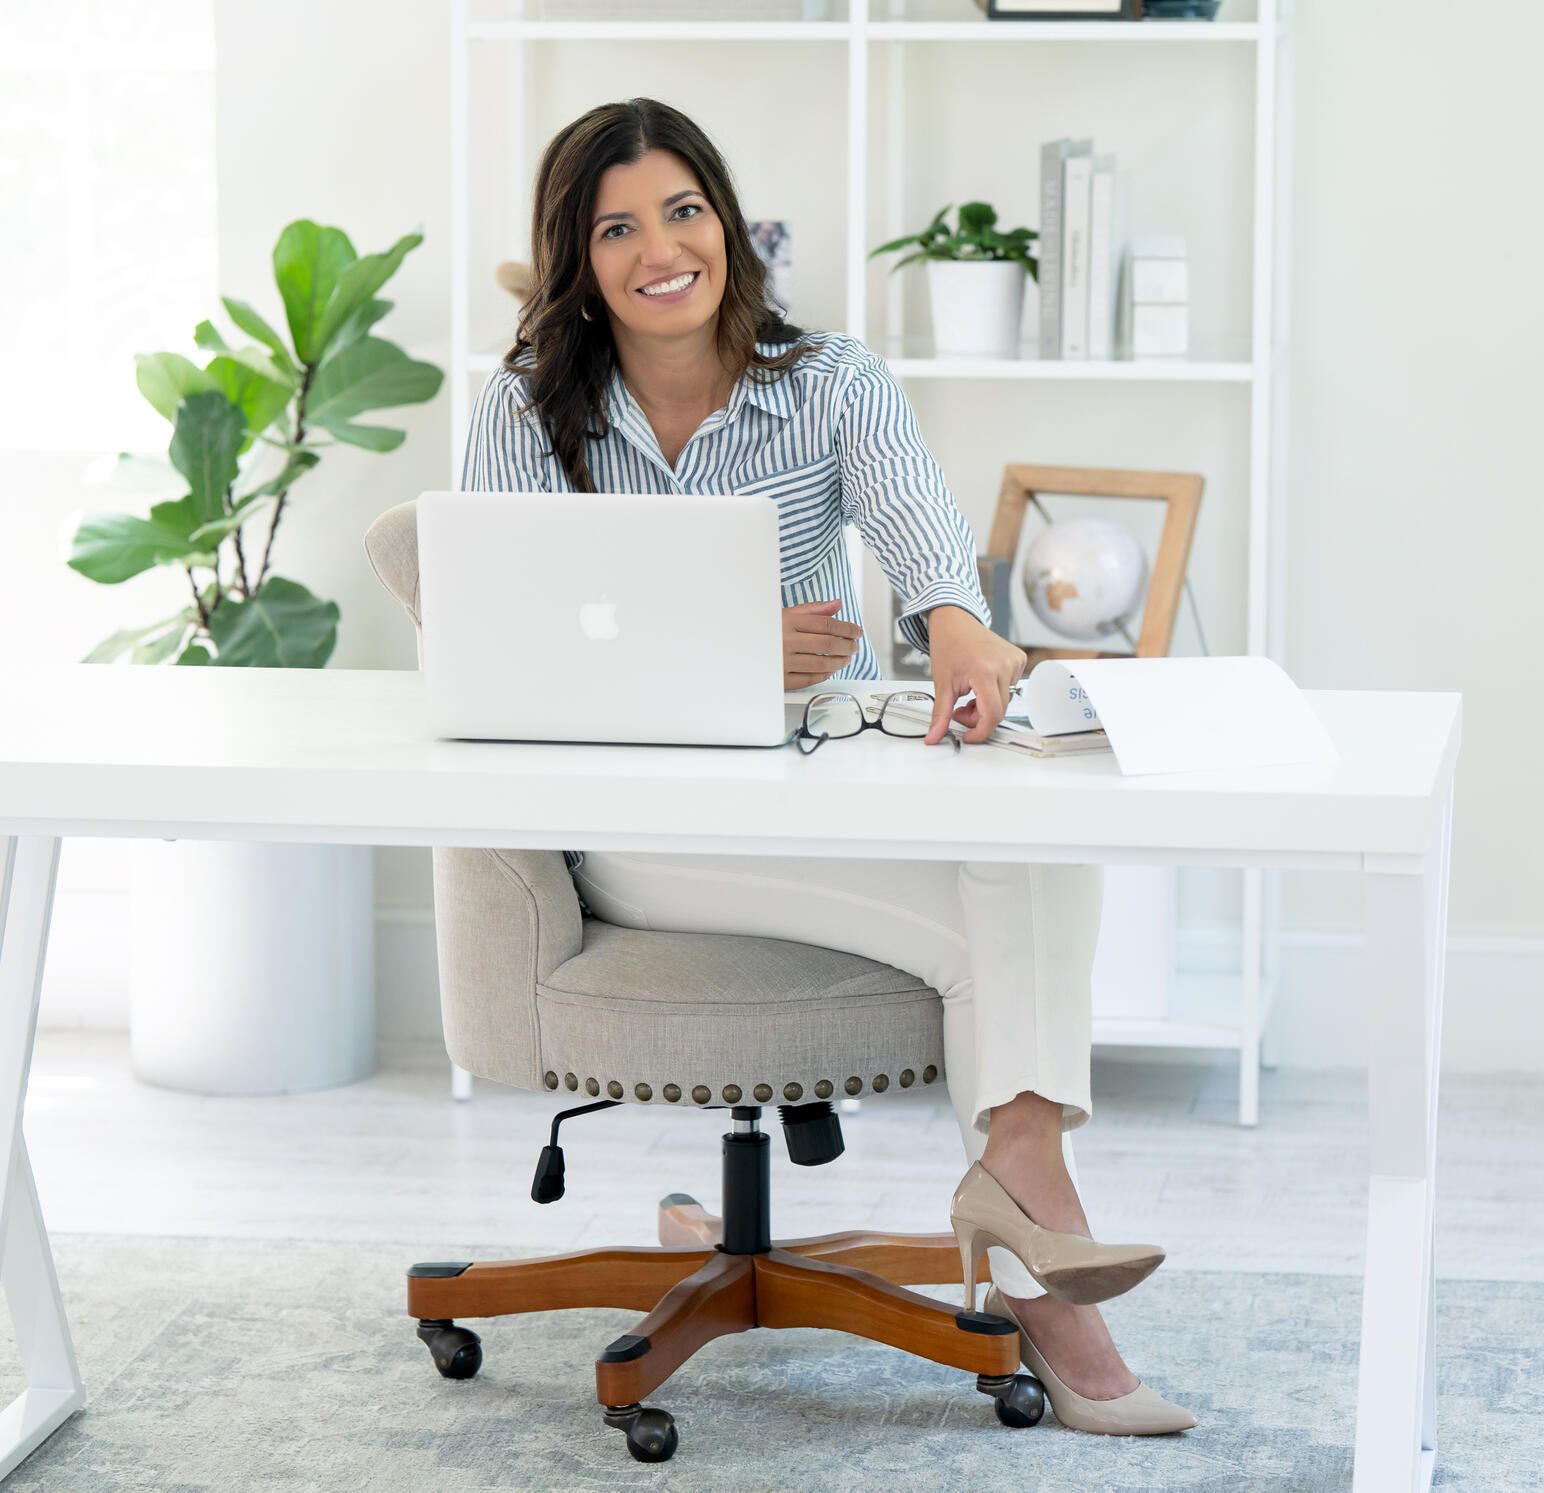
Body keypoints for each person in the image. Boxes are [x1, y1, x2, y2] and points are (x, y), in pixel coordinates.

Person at [461, 96, 1194, 1436]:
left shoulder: (831, 378)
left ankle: (1022, 1168)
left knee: (1029, 828)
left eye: (684, 210)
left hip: (818, 788)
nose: (660, 247)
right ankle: (1046, 1250)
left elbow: (924, 543)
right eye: (617, 227)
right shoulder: (525, 413)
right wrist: (732, 652)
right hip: (637, 828)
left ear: (727, 224)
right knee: (996, 913)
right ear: (580, 259)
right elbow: (502, 661)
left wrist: (962, 627)